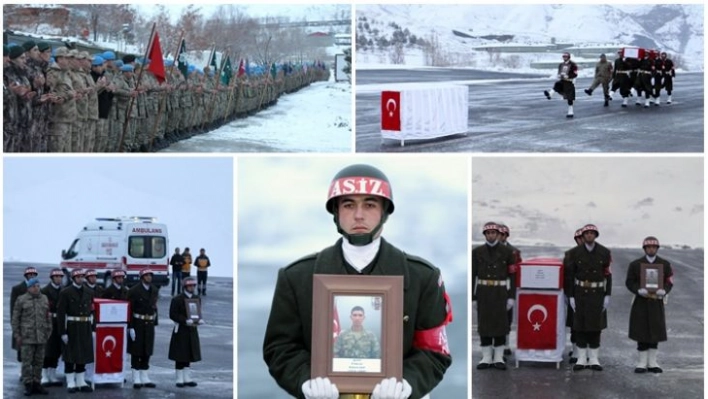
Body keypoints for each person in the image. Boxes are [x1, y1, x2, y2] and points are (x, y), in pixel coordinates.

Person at [263, 164, 452, 399]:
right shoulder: (297, 277)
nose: (359, 215)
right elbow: (280, 347)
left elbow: (434, 350)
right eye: (348, 204)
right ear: (336, 212)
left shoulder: (422, 277)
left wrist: (407, 384)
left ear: (385, 211)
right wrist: (305, 380)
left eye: (370, 205)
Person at [563, 224, 612, 371]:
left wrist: (607, 294)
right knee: (580, 326)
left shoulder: (604, 252)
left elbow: (608, 275)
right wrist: (570, 295)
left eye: (592, 233)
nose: (589, 235)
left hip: (597, 294)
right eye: (587, 233)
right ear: (582, 236)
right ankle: (581, 358)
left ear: (596, 235)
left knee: (595, 327)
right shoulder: (573, 253)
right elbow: (570, 276)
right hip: (580, 293)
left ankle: (594, 359)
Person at [472, 222, 516, 370]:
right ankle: (486, 357)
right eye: (488, 233)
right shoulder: (477, 252)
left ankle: (498, 357)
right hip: (484, 292)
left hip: (500, 292)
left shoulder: (508, 252)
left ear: (498, 235)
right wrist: (473, 297)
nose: (491, 235)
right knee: (484, 324)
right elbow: (473, 276)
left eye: (493, 233)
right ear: (485, 235)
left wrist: (511, 296)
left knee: (500, 324)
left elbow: (512, 276)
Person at [625, 236, 673, 374]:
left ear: (657, 248)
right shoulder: (635, 264)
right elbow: (629, 281)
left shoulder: (665, 264)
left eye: (654, 247)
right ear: (644, 248)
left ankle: (652, 362)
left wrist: (664, 290)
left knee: (655, 330)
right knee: (641, 330)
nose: (651, 249)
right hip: (641, 302)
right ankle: (641, 362)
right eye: (648, 247)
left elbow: (669, 280)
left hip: (656, 302)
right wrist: (638, 289)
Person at [12, 277, 52, 396]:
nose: (36, 288)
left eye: (38, 286)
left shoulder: (44, 298)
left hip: (41, 337)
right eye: (34, 286)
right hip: (27, 337)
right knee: (27, 362)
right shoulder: (21, 299)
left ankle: (37, 383)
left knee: (39, 362)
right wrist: (17, 335)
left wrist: (48, 332)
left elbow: (48, 317)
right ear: (29, 288)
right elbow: (15, 319)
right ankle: (28, 385)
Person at [56, 269, 94, 393]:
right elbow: (61, 314)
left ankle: (81, 381)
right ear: (73, 278)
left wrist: (93, 328)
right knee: (70, 356)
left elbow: (92, 311)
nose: (80, 279)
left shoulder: (89, 291)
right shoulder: (65, 292)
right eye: (77, 277)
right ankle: (71, 382)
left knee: (82, 355)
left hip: (85, 326)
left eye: (82, 277)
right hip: (72, 327)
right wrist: (62, 332)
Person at [168, 277, 204, 387]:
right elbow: (172, 314)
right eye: (190, 286)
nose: (192, 287)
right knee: (180, 354)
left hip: (192, 329)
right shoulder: (177, 299)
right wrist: (184, 320)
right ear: (185, 287)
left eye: (193, 286)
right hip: (181, 329)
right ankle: (179, 378)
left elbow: (197, 312)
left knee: (189, 353)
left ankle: (187, 377)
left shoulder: (196, 298)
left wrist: (199, 319)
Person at [127, 268, 159, 389]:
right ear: (142, 277)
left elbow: (154, 307)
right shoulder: (134, 291)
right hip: (138, 323)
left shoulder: (154, 290)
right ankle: (136, 377)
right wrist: (131, 327)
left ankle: (145, 376)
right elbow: (129, 309)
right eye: (146, 275)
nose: (149, 277)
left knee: (147, 350)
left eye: (150, 275)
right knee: (136, 351)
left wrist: (155, 321)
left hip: (149, 324)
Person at [498, 224, 521, 357]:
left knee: (507, 317)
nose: (499, 237)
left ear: (506, 236)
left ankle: (506, 344)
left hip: (508, 287)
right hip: (493, 287)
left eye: (501, 234)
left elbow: (517, 271)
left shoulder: (514, 252)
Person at [11, 267, 40, 370]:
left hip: (35, 323)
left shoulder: (38, 288)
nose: (32, 276)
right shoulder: (17, 289)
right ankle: (21, 369)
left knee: (34, 348)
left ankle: (31, 369)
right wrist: (15, 327)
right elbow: (13, 308)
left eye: (34, 274)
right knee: (21, 347)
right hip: (22, 322)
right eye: (30, 274)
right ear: (26, 276)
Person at [40, 269, 65, 387]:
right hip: (48, 323)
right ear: (52, 278)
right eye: (57, 277)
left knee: (57, 350)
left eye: (60, 277)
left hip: (59, 322)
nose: (59, 279)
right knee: (47, 350)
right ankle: (44, 375)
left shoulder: (64, 291)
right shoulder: (44, 291)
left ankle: (52, 374)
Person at [563, 229, 584, 364]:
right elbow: (567, 276)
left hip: (591, 295)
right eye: (579, 238)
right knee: (574, 324)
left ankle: (588, 351)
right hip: (575, 293)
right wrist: (568, 294)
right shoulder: (570, 254)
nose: (582, 240)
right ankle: (575, 350)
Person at [543, 52, 578, 118]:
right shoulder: (561, 65)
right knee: (557, 85)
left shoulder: (573, 65)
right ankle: (550, 94)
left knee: (570, 97)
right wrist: (559, 75)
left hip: (569, 82)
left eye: (566, 57)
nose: (564, 58)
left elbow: (575, 74)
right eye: (563, 57)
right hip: (562, 81)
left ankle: (570, 112)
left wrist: (568, 76)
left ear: (568, 57)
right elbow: (559, 72)